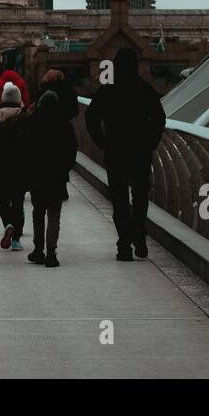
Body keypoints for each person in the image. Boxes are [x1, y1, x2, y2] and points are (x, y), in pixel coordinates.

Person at [84, 47, 165, 261]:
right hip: (140, 152)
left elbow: (91, 118)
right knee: (140, 197)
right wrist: (151, 143)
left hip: (115, 152)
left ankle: (124, 245)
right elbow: (159, 119)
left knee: (119, 200)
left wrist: (101, 142)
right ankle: (138, 234)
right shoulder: (145, 90)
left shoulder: (107, 91)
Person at [25, 70, 80, 267]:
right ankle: (51, 253)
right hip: (57, 175)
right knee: (54, 214)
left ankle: (38, 250)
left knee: (38, 212)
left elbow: (26, 149)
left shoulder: (33, 123)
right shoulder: (64, 125)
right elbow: (71, 150)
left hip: (38, 175)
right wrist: (65, 168)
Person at [0, 81, 31, 251]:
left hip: (0, 166)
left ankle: (8, 224)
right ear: (18, 99)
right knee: (17, 202)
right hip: (19, 167)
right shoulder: (24, 118)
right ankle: (16, 240)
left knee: (3, 200)